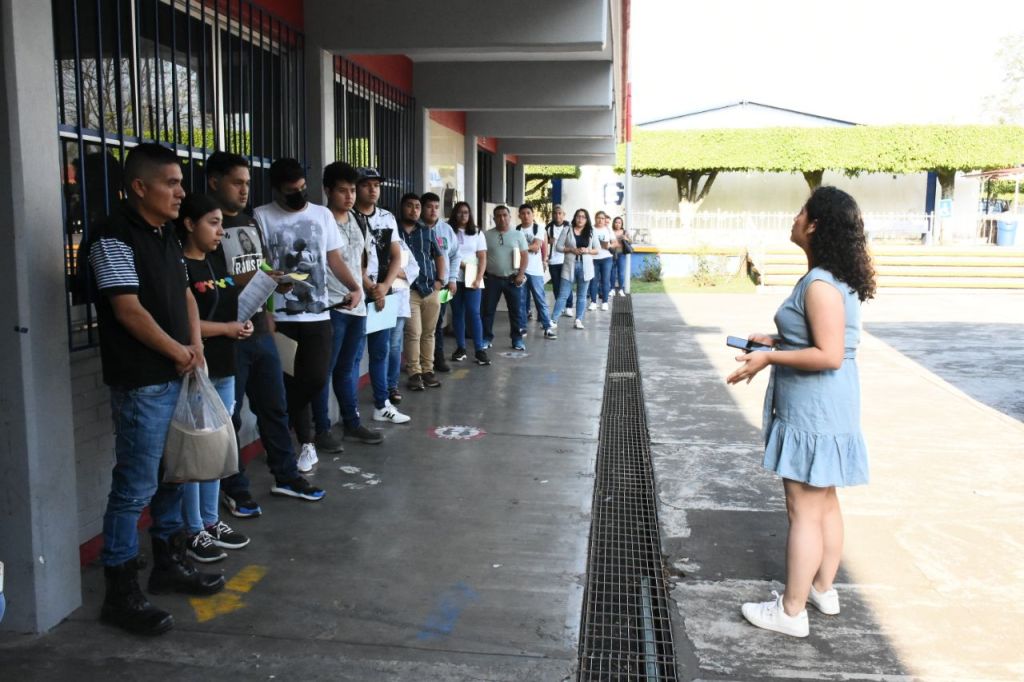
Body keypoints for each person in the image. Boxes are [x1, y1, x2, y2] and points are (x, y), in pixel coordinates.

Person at [88, 143, 224, 636]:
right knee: (134, 489)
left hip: (178, 372)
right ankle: (121, 592)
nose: (180, 191)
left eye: (180, 182)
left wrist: (194, 347)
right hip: (143, 383)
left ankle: (169, 564)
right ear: (139, 186)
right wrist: (176, 351)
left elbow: (185, 293)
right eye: (171, 182)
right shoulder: (112, 236)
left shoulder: (165, 233)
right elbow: (127, 309)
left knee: (174, 476)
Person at [727, 186, 875, 638]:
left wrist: (770, 358)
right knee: (824, 501)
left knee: (804, 509)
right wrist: (777, 342)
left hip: (816, 409)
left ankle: (791, 612)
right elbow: (823, 340)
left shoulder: (820, 284)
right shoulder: (828, 278)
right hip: (829, 406)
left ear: (814, 225)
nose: (793, 218)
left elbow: (829, 354)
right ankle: (822, 589)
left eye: (801, 213)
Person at [206, 151, 324, 517]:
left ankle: (286, 476)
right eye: (236, 183)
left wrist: (272, 299)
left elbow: (261, 267)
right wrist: (249, 280)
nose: (244, 191)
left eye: (247, 183)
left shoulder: (249, 220)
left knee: (274, 408)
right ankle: (235, 488)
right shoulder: (203, 225)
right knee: (231, 418)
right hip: (225, 337)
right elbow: (205, 281)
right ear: (214, 182)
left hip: (259, 329)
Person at [256, 158, 362, 474]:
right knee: (291, 379)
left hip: (318, 313)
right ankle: (305, 444)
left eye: (303, 189)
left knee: (314, 378)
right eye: (292, 192)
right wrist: (268, 308)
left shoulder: (322, 215)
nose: (299, 196)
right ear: (277, 189)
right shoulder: (261, 217)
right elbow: (257, 264)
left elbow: (333, 258)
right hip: (283, 316)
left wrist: (354, 286)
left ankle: (278, 425)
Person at [174, 194, 251, 563]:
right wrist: (226, 328)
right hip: (198, 370)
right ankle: (192, 530)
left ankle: (210, 520)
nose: (221, 231)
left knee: (217, 446)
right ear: (189, 224)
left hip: (225, 366)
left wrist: (243, 324)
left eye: (221, 223)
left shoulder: (217, 259)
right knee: (197, 451)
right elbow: (180, 322)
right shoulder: (179, 266)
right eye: (213, 223)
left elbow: (231, 303)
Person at [311, 161, 387, 447]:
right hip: (331, 308)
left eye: (352, 190)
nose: (350, 196)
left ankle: (351, 423)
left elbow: (359, 264)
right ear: (328, 190)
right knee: (324, 371)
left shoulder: (356, 220)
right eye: (342, 191)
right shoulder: (320, 221)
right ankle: (321, 430)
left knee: (346, 369)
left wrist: (369, 289)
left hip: (358, 307)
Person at [353, 168, 407, 423]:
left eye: (376, 185)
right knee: (352, 355)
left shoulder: (387, 217)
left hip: (383, 293)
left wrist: (384, 286)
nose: (373, 189)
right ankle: (349, 408)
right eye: (367, 185)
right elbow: (348, 258)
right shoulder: (348, 217)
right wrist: (369, 286)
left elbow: (397, 255)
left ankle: (381, 404)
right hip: (355, 293)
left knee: (380, 350)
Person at [398, 193, 447, 391]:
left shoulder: (427, 231)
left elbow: (439, 256)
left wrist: (440, 281)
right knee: (413, 332)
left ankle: (428, 370)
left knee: (429, 333)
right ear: (402, 207)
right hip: (408, 290)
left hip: (430, 289)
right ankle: (414, 373)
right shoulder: (394, 231)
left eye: (417, 206)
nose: (414, 210)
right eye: (409, 206)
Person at [420, 192, 460, 373]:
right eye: (429, 206)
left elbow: (454, 255)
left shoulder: (446, 229)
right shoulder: (416, 228)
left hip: (442, 286)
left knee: (438, 321)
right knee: (417, 326)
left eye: (436, 207)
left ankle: (438, 357)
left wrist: (452, 279)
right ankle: (419, 361)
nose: (433, 210)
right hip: (418, 287)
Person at [482, 205, 529, 351]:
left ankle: (517, 339)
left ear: (510, 217)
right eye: (498, 216)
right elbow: (481, 256)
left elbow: (525, 256)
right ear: (494, 218)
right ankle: (487, 338)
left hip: (512, 279)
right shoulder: (486, 235)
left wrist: (521, 274)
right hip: (492, 279)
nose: (502, 218)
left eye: (504, 215)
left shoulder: (518, 235)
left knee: (516, 311)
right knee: (488, 310)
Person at [447, 201, 489, 366]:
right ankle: (461, 348)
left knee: (474, 312)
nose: (463, 215)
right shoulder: (449, 231)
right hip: (454, 278)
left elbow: (482, 257)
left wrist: (479, 277)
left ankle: (479, 349)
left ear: (470, 214)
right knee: (457, 313)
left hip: (472, 277)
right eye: (459, 212)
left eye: (466, 212)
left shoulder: (477, 232)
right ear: (454, 214)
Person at [386, 237, 420, 407]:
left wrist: (394, 271)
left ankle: (392, 385)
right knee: (380, 346)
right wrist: (394, 270)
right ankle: (381, 386)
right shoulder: (371, 239)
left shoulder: (400, 243)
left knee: (394, 345)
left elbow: (414, 268)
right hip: (379, 298)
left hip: (398, 301)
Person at [551, 208, 599, 329]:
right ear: (574, 217)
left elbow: (597, 250)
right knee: (563, 294)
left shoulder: (591, 231)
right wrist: (572, 250)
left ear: (587, 219)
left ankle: (578, 320)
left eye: (583, 217)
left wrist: (587, 250)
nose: (580, 219)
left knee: (582, 296)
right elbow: (558, 247)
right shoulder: (567, 230)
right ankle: (553, 320)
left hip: (585, 267)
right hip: (569, 266)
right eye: (578, 216)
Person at [516, 203, 557, 339]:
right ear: (519, 215)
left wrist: (522, 248)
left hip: (535, 271)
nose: (526, 216)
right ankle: (522, 327)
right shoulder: (516, 230)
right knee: (521, 301)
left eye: (528, 213)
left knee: (540, 299)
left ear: (532, 215)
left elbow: (536, 246)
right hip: (520, 270)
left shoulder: (538, 228)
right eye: (523, 213)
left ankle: (547, 327)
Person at [545, 204, 573, 316]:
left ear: (564, 215)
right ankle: (559, 305)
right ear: (552, 215)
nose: (557, 215)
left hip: (566, 260)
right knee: (556, 285)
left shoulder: (569, 227)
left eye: (560, 213)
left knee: (566, 284)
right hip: (553, 261)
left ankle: (569, 306)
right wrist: (548, 241)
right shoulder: (548, 228)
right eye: (555, 213)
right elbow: (543, 243)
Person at [588, 210, 616, 311]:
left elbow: (615, 243)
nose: (600, 220)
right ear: (595, 218)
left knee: (605, 280)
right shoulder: (590, 229)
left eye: (602, 218)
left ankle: (604, 302)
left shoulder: (608, 229)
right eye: (598, 218)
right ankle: (593, 302)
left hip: (606, 258)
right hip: (593, 258)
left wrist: (609, 245)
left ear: (605, 220)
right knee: (593, 281)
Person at [609, 215, 631, 296]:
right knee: (612, 272)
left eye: (619, 223)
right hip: (611, 253)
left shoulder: (625, 232)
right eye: (616, 222)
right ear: (614, 223)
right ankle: (612, 289)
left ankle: (621, 289)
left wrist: (626, 238)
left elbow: (630, 241)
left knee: (621, 272)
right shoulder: (610, 231)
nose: (617, 224)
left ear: (622, 224)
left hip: (621, 254)